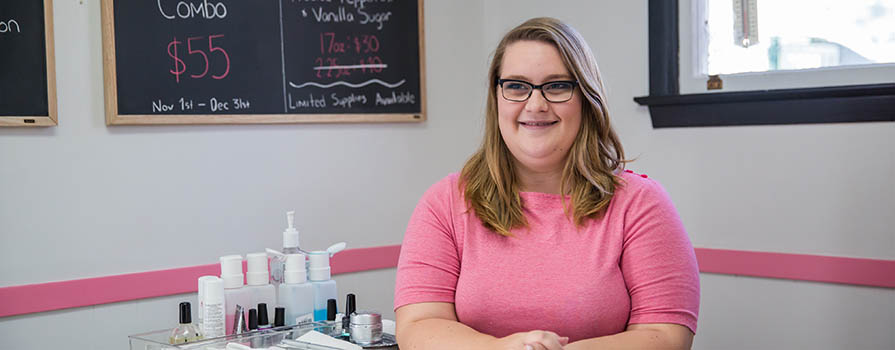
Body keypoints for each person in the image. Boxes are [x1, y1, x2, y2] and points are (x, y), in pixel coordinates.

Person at [394, 17, 699, 350]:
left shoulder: (642, 204)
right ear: (497, 97)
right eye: (516, 86)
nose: (536, 104)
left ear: (586, 97)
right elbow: (419, 326)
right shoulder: (445, 202)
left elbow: (668, 337)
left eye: (557, 86)